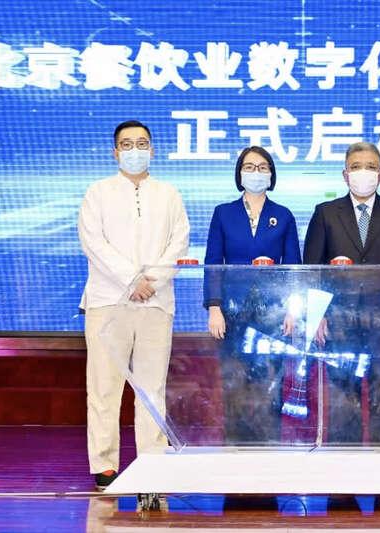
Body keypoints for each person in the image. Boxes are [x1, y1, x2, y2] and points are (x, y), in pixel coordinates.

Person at [78, 120, 190, 490]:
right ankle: (105, 464)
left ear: (153, 150)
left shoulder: (169, 194)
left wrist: (150, 281)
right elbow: (93, 243)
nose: (135, 150)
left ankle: (152, 461)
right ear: (115, 152)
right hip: (108, 302)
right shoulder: (98, 192)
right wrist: (131, 280)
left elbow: (179, 243)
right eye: (127, 144)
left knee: (151, 388)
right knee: (104, 386)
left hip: (156, 303)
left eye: (142, 143)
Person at [303, 141, 380, 445]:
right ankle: (345, 463)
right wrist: (316, 315)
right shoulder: (326, 213)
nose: (363, 172)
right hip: (339, 321)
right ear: (345, 174)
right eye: (356, 167)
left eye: (370, 167)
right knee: (344, 396)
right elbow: (312, 268)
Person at [204, 146, 301, 444]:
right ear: (239, 173)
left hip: (273, 313)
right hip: (232, 312)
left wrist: (292, 310)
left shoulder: (283, 215)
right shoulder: (223, 213)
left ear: (271, 174)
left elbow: (294, 267)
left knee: (270, 382)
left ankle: (268, 446)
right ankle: (235, 448)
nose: (255, 172)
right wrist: (214, 307)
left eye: (262, 167)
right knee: (235, 381)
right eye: (249, 166)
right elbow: (213, 262)